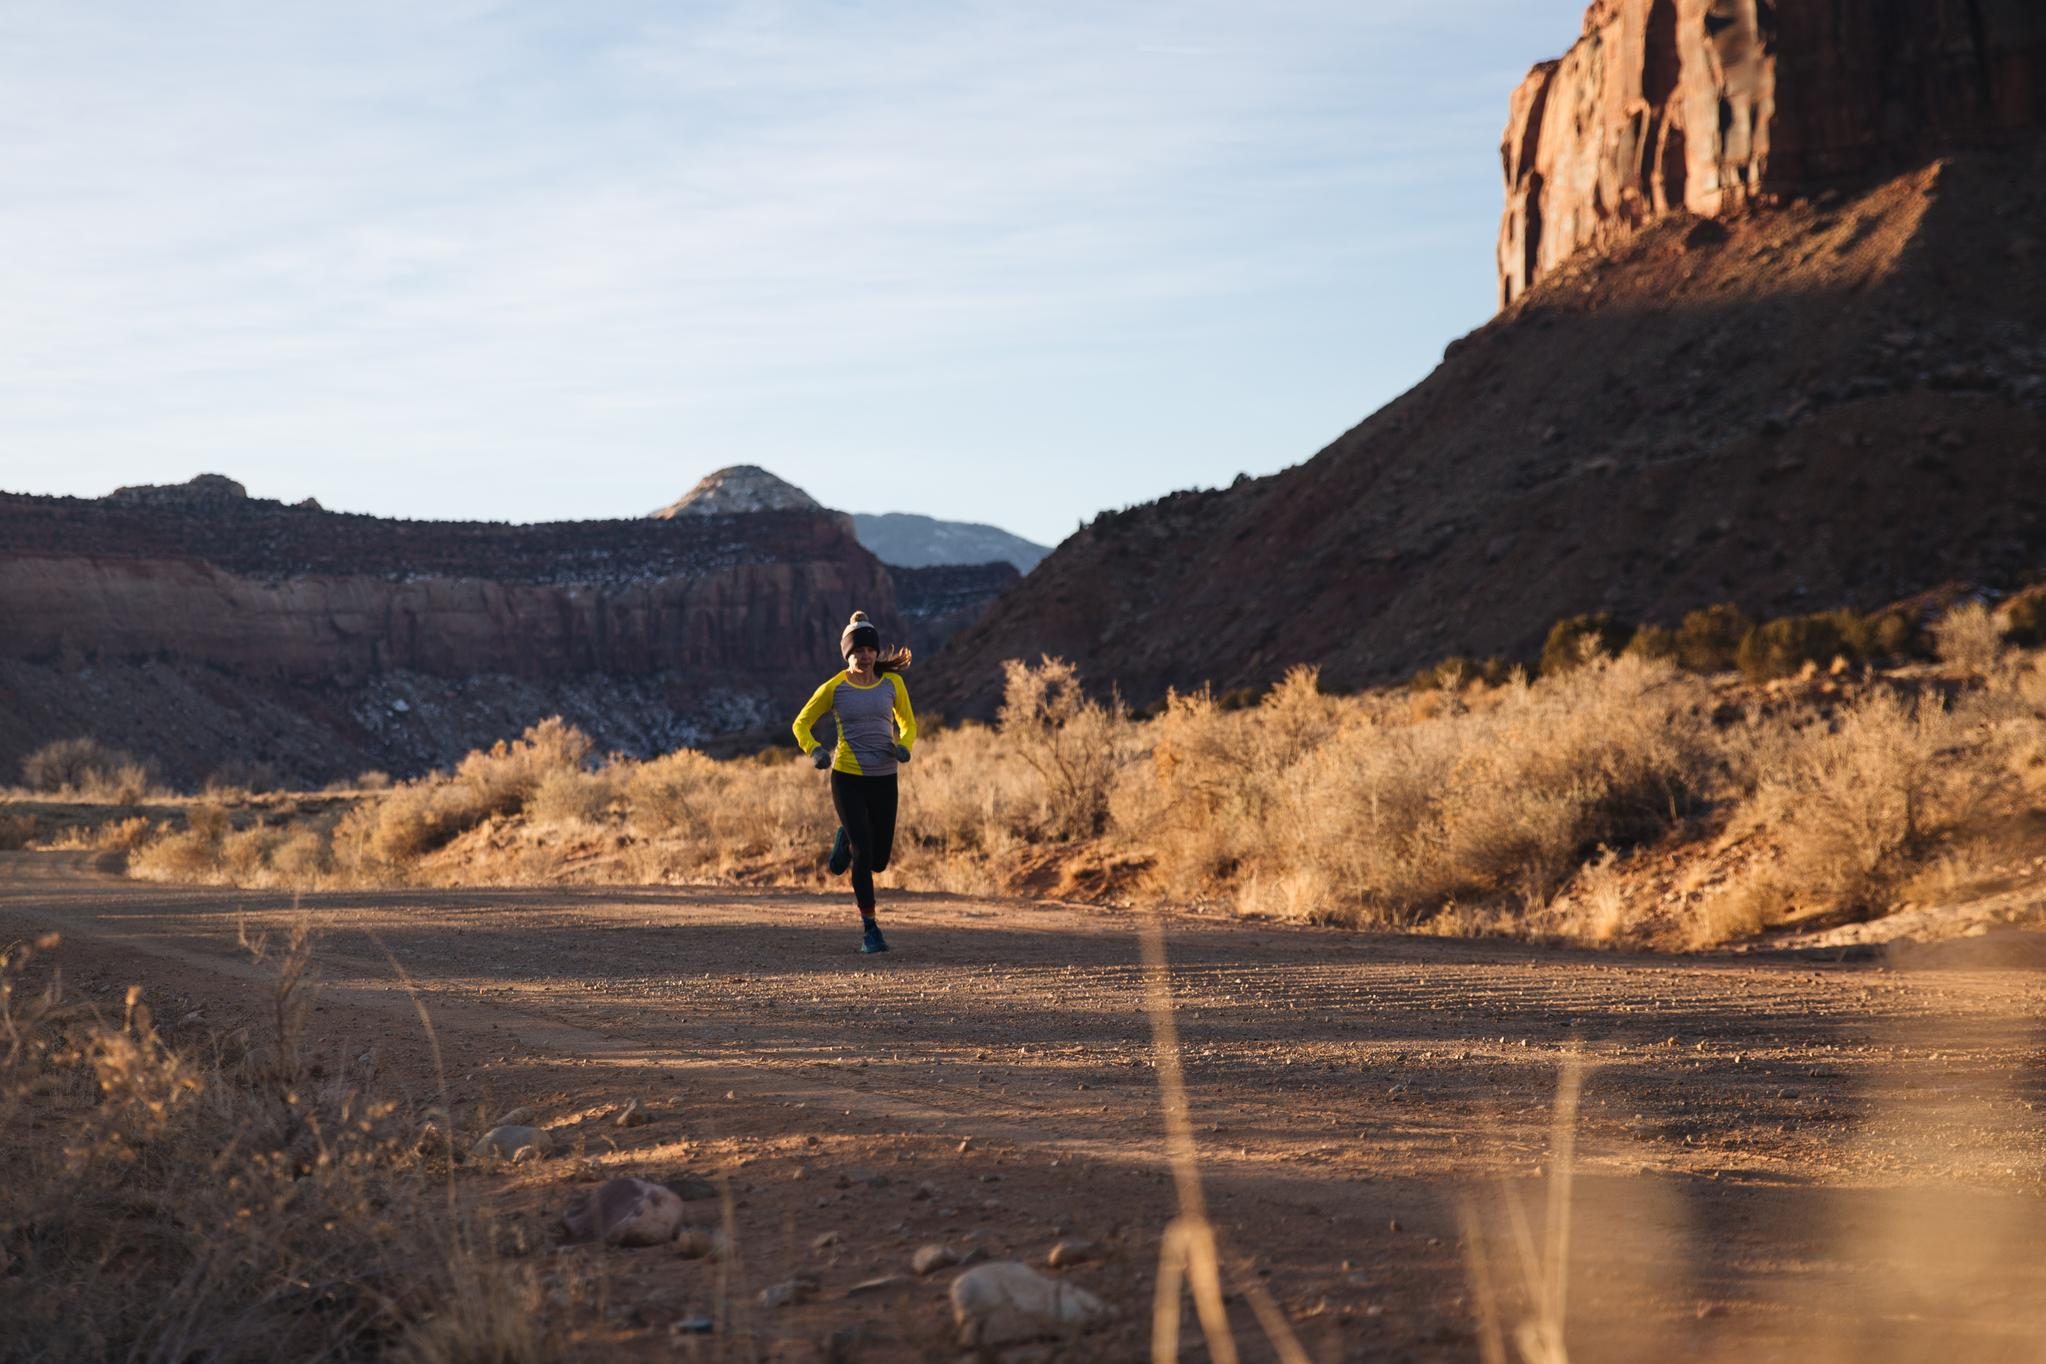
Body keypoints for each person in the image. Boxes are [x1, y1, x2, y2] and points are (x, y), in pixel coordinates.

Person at [792, 611, 915, 954]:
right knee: (864, 854)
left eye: (869, 649)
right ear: (847, 654)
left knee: (879, 861)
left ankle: (844, 837)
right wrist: (815, 750)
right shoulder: (834, 687)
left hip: (885, 776)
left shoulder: (893, 685)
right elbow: (801, 724)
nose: (864, 655)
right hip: (846, 776)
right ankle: (870, 929)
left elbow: (909, 724)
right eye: (856, 650)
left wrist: (904, 746)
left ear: (877, 652)